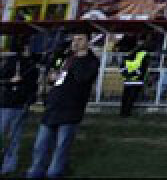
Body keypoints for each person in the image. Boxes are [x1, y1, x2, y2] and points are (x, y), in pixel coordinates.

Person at [25, 34, 99, 179]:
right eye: (74, 39)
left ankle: (54, 173)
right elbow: (54, 71)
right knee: (40, 145)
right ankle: (35, 172)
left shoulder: (91, 61)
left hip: (71, 109)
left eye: (80, 39)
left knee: (61, 146)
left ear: (88, 42)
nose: (75, 42)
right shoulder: (66, 58)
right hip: (53, 107)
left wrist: (75, 60)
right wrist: (52, 75)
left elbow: (82, 78)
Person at [2, 41, 40, 175]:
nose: (30, 49)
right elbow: (2, 79)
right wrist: (10, 81)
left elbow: (34, 85)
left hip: (21, 105)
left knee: (14, 137)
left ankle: (8, 166)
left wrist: (30, 99)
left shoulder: (33, 64)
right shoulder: (12, 61)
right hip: (6, 104)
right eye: (27, 46)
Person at [119, 36, 151, 117]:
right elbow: (144, 66)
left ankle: (123, 112)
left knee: (126, 95)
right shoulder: (145, 53)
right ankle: (127, 112)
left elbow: (123, 64)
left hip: (128, 77)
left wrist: (126, 74)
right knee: (131, 96)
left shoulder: (131, 51)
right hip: (137, 78)